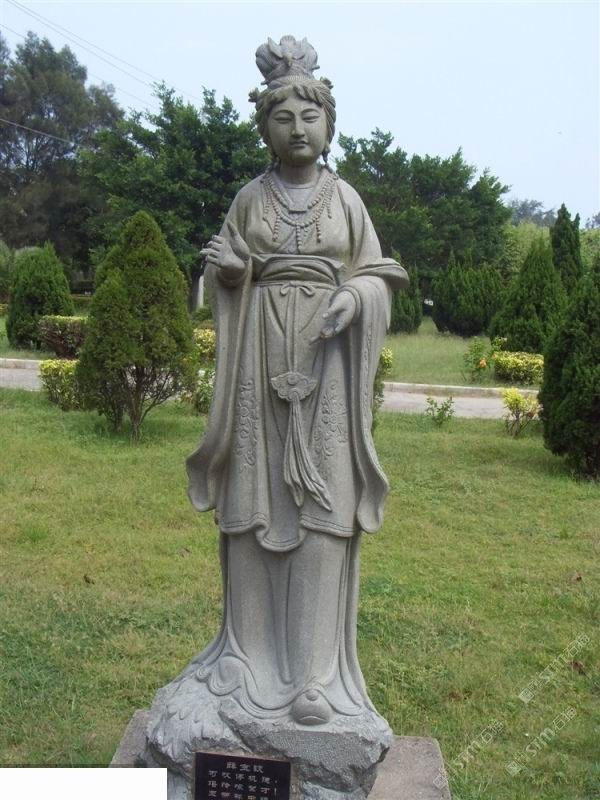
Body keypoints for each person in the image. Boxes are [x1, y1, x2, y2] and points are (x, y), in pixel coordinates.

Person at [186, 35, 408, 727]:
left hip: (327, 363)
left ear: (329, 125)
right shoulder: (250, 199)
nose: (298, 129)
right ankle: (246, 656)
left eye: (311, 117)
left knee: (322, 506)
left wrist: (357, 297)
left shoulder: (347, 200)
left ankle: (314, 675)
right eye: (283, 118)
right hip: (258, 361)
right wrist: (233, 275)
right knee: (253, 501)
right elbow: (224, 269)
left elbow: (379, 274)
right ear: (266, 128)